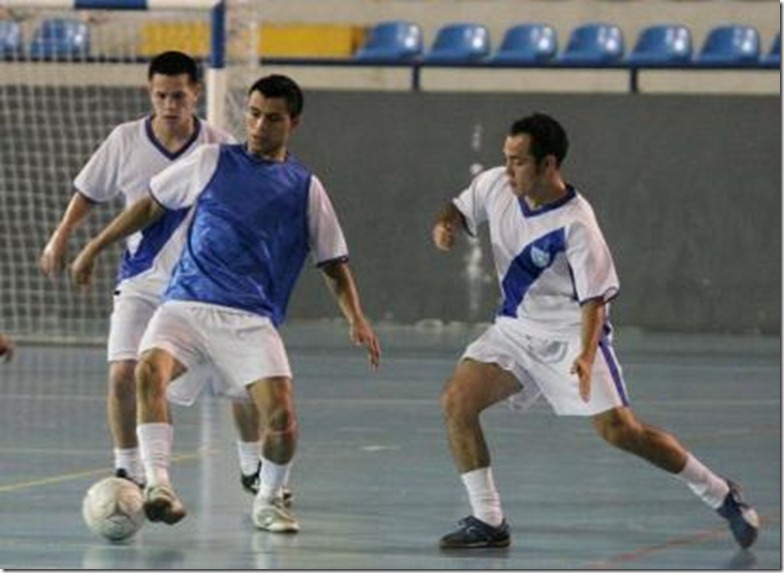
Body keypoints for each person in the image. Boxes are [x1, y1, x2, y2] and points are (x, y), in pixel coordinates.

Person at [431, 112, 759, 550]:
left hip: (571, 334)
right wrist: (446, 223)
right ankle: (489, 520)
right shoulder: (496, 185)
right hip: (514, 330)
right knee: (457, 400)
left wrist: (585, 356)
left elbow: (594, 302)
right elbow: (458, 206)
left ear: (548, 165)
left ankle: (720, 492)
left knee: (621, 431)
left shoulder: (577, 223)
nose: (507, 169)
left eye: (518, 161)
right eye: (506, 158)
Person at [70, 73, 381, 533]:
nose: (257, 126)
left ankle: (269, 500)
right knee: (146, 370)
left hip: (250, 318)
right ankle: (159, 484)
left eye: (271, 119)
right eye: (252, 115)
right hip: (186, 305)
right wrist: (95, 244)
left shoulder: (305, 187)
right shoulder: (210, 160)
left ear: (292, 123)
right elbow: (149, 205)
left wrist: (355, 316)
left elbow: (333, 262)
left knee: (282, 417)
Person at [40, 50, 267, 494]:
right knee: (123, 372)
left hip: (204, 287)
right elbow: (88, 192)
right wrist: (61, 236)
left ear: (196, 93)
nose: (170, 104)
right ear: (151, 93)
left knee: (241, 383)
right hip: (141, 282)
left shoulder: (218, 146)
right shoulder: (125, 140)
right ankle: (129, 468)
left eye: (179, 95)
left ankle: (252, 465)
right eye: (161, 95)